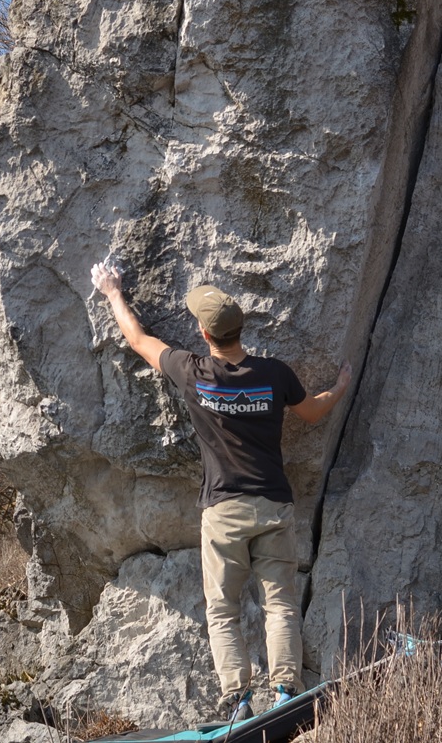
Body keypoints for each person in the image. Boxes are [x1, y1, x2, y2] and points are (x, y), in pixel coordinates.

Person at [90, 263, 350, 722]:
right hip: (273, 504)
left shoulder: (192, 372)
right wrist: (341, 388)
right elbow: (312, 413)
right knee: (280, 603)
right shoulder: (274, 374)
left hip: (224, 510)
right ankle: (287, 690)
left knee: (224, 609)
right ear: (239, 329)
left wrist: (112, 292)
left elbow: (138, 341)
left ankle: (238, 697)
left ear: (204, 333)